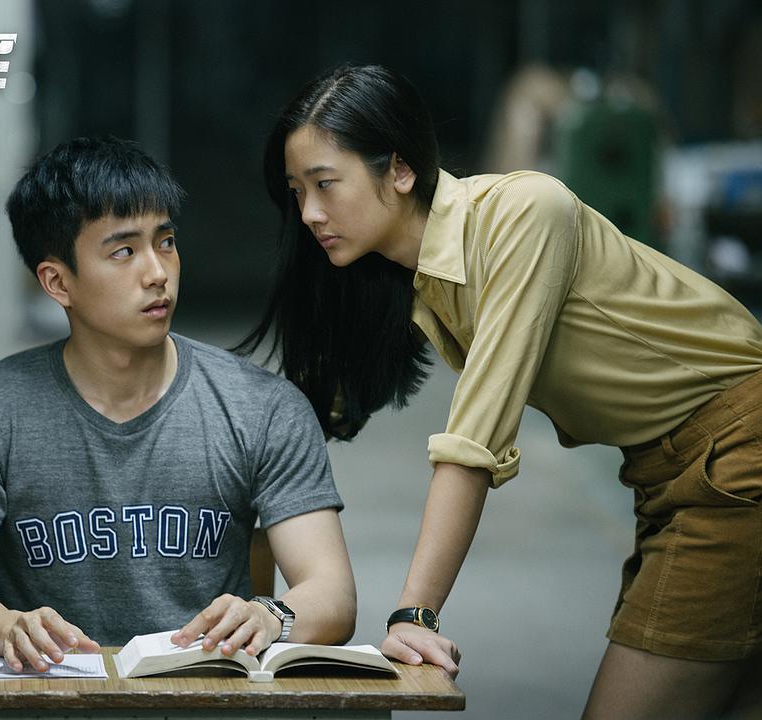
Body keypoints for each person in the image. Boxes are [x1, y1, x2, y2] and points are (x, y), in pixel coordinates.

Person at [239, 63, 762, 718]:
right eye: (297, 191)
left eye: (325, 184)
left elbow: (473, 444)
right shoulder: (415, 283)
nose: (310, 213)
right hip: (672, 477)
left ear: (399, 171)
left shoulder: (525, 215)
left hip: (736, 453)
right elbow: (304, 425)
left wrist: (414, 613)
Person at [0, 136, 356, 673]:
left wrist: (272, 615)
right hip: (54, 697)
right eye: (123, 251)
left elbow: (332, 593)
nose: (157, 273)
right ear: (57, 282)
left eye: (165, 242)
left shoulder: (262, 407)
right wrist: (9, 626)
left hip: (206, 695)